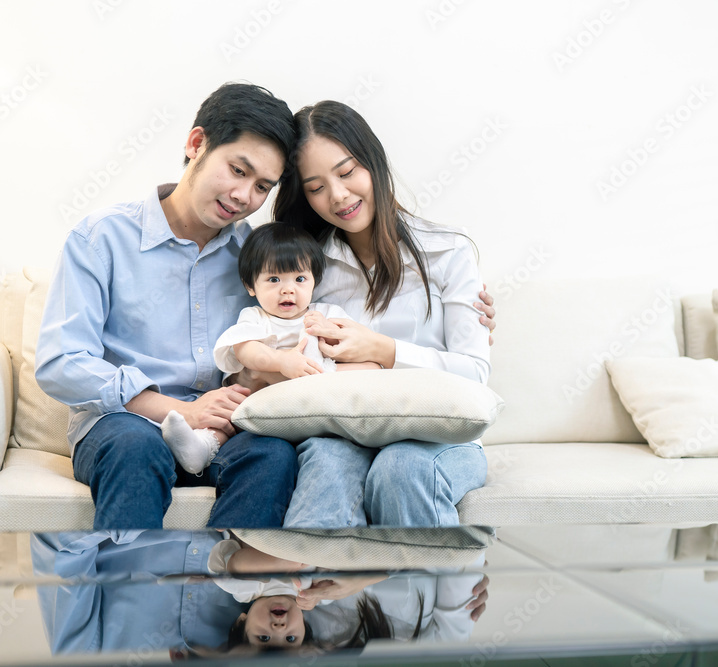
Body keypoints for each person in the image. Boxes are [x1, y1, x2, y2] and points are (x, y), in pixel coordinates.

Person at [35, 82, 299, 529]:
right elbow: (61, 362)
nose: (243, 196)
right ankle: (128, 594)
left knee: (273, 454)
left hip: (222, 428)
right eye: (237, 170)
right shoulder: (101, 238)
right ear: (197, 144)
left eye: (261, 187)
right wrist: (179, 410)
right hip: (124, 425)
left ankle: (235, 591)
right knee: (135, 448)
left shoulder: (257, 256)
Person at [269, 100, 494, 527]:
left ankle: (437, 592)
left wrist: (384, 350)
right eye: (315, 187)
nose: (338, 196)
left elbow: (474, 376)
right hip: (344, 431)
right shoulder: (306, 271)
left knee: (401, 469)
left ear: (373, 161)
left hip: (437, 437)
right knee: (328, 462)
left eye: (347, 171)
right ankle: (307, 589)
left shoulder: (449, 252)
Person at [160, 222, 380, 474]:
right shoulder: (255, 317)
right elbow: (245, 350)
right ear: (251, 286)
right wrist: (281, 362)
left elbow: (356, 350)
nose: (288, 289)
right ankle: (201, 447)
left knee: (371, 369)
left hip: (317, 397)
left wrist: (328, 333)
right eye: (274, 279)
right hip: (261, 404)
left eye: (299, 279)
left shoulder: (328, 313)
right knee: (227, 413)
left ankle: (320, 380)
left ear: (314, 282)